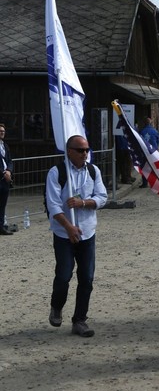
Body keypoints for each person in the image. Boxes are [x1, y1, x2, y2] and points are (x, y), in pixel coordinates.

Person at [45, 135, 108, 337]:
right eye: (81, 150)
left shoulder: (92, 171)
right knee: (64, 275)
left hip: (87, 232)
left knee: (87, 278)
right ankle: (57, 305)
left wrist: (83, 203)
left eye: (87, 150)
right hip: (64, 233)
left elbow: (102, 197)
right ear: (69, 151)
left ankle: (80, 320)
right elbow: (53, 204)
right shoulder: (57, 172)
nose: (85, 154)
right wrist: (69, 227)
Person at [0, 124, 14, 235]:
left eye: (3, 131)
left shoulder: (5, 145)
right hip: (1, 176)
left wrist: (9, 171)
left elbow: (9, 160)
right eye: (0, 131)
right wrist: (3, 172)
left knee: (2, 204)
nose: (2, 133)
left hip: (5, 179)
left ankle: (1, 226)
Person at [139, 117, 159, 187]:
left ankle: (145, 183)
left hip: (145, 152)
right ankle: (156, 183)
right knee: (154, 168)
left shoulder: (142, 131)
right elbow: (158, 141)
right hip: (153, 152)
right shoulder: (155, 131)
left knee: (144, 168)